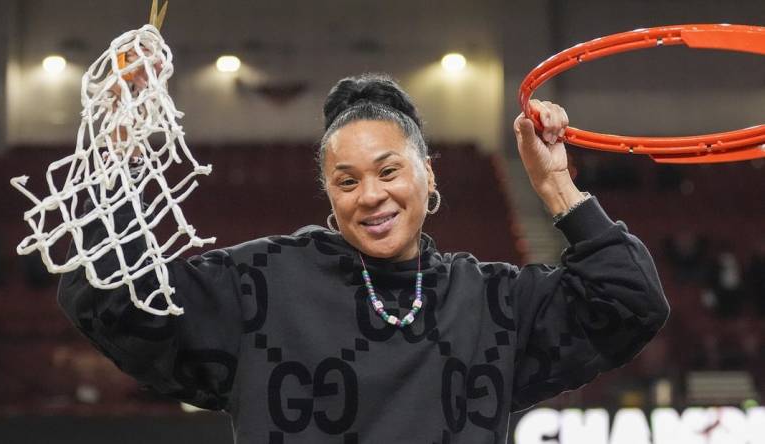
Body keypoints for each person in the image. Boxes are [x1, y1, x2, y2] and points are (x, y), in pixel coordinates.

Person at [57, 72, 669, 443]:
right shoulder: (258, 286)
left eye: (388, 170)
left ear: (428, 176)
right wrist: (118, 160)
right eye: (346, 181)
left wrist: (557, 186)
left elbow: (630, 302)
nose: (371, 195)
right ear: (328, 194)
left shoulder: (492, 301)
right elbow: (111, 295)